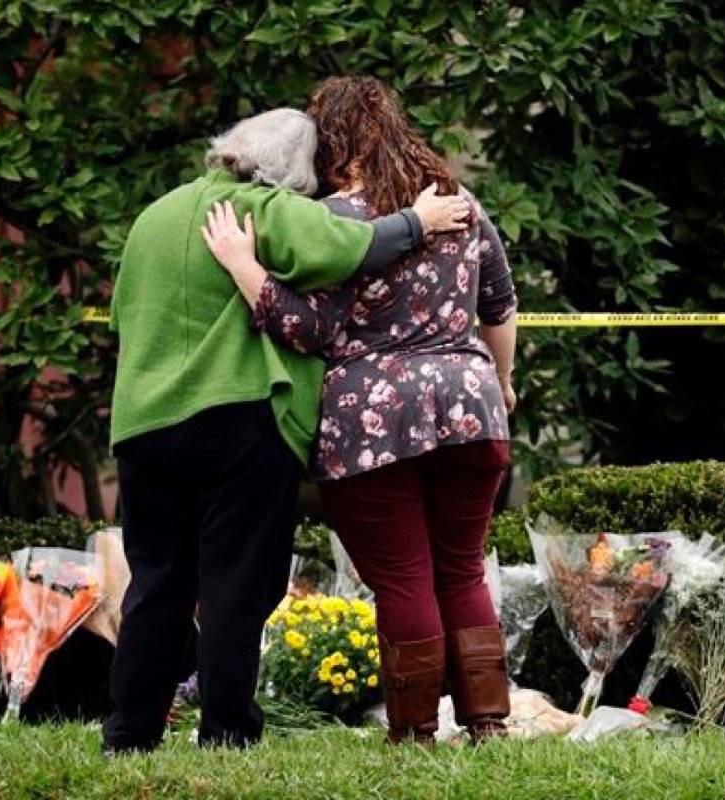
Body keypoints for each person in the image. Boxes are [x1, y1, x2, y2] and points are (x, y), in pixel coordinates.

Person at [103, 107, 472, 754]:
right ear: (292, 172)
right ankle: (225, 733)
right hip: (237, 422)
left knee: (156, 583)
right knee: (234, 586)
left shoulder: (153, 218)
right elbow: (351, 245)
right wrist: (421, 221)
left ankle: (129, 735)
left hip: (144, 427)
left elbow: (120, 318)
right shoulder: (267, 209)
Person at [203, 78, 518, 745]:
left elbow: (304, 326)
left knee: (403, 575)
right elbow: (500, 303)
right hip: (471, 404)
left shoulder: (336, 222)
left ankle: (414, 731)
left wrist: (242, 266)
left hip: (372, 424)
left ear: (330, 145)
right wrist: (505, 382)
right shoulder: (460, 205)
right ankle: (487, 720)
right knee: (461, 565)